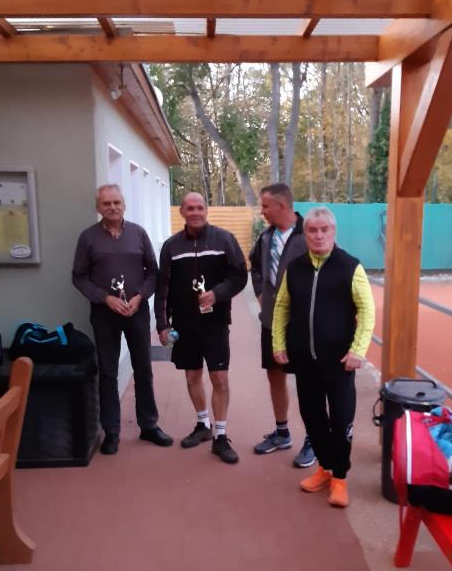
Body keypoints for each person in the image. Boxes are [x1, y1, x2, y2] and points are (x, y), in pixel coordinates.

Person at [272, 206, 375, 508]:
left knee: (341, 420)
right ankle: (325, 468)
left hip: (339, 361)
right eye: (312, 230)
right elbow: (282, 307)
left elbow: (367, 310)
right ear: (305, 234)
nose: (318, 235)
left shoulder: (350, 266)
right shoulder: (296, 268)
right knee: (313, 417)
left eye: (324, 230)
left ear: (333, 232)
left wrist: (358, 350)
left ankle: (340, 476)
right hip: (304, 360)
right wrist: (279, 343)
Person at [72, 184, 173, 456]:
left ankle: (149, 425)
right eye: (106, 203)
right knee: (108, 372)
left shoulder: (138, 233)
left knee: (143, 369)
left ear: (124, 204)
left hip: (136, 312)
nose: (113, 207)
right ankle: (112, 432)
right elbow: (79, 277)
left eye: (116, 202)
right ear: (98, 207)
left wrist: (140, 297)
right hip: (104, 314)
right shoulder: (88, 238)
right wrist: (105, 298)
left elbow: (153, 272)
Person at [155, 192, 247, 465]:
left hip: (215, 322)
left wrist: (218, 294)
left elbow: (239, 276)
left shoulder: (224, 239)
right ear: (182, 212)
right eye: (190, 208)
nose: (195, 212)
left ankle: (221, 436)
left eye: (199, 207)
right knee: (192, 375)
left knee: (219, 378)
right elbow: (162, 288)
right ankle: (202, 424)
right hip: (184, 324)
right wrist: (162, 324)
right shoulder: (171, 246)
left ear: (206, 210)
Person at [249, 184, 315, 468]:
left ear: (282, 206)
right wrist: (259, 292)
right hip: (271, 322)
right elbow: (255, 266)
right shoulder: (266, 237)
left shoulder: (310, 233)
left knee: (308, 381)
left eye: (265, 206)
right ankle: (282, 432)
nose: (262, 211)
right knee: (275, 375)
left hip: (302, 324)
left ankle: (314, 439)